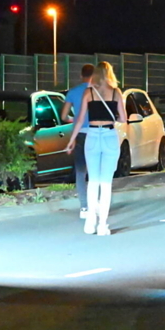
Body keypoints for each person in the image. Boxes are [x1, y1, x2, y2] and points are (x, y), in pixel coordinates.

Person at [64, 61, 127, 235]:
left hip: (91, 135)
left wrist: (72, 139)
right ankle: (102, 225)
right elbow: (123, 118)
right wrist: (112, 114)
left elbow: (79, 118)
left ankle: (90, 222)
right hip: (108, 136)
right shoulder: (116, 92)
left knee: (93, 181)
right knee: (106, 183)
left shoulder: (88, 92)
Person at [60, 63, 95, 217]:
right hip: (96, 133)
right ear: (94, 76)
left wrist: (73, 120)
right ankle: (96, 203)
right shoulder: (98, 92)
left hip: (79, 133)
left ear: (81, 76)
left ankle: (84, 207)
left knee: (80, 171)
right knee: (95, 170)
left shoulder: (73, 92)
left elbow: (63, 116)